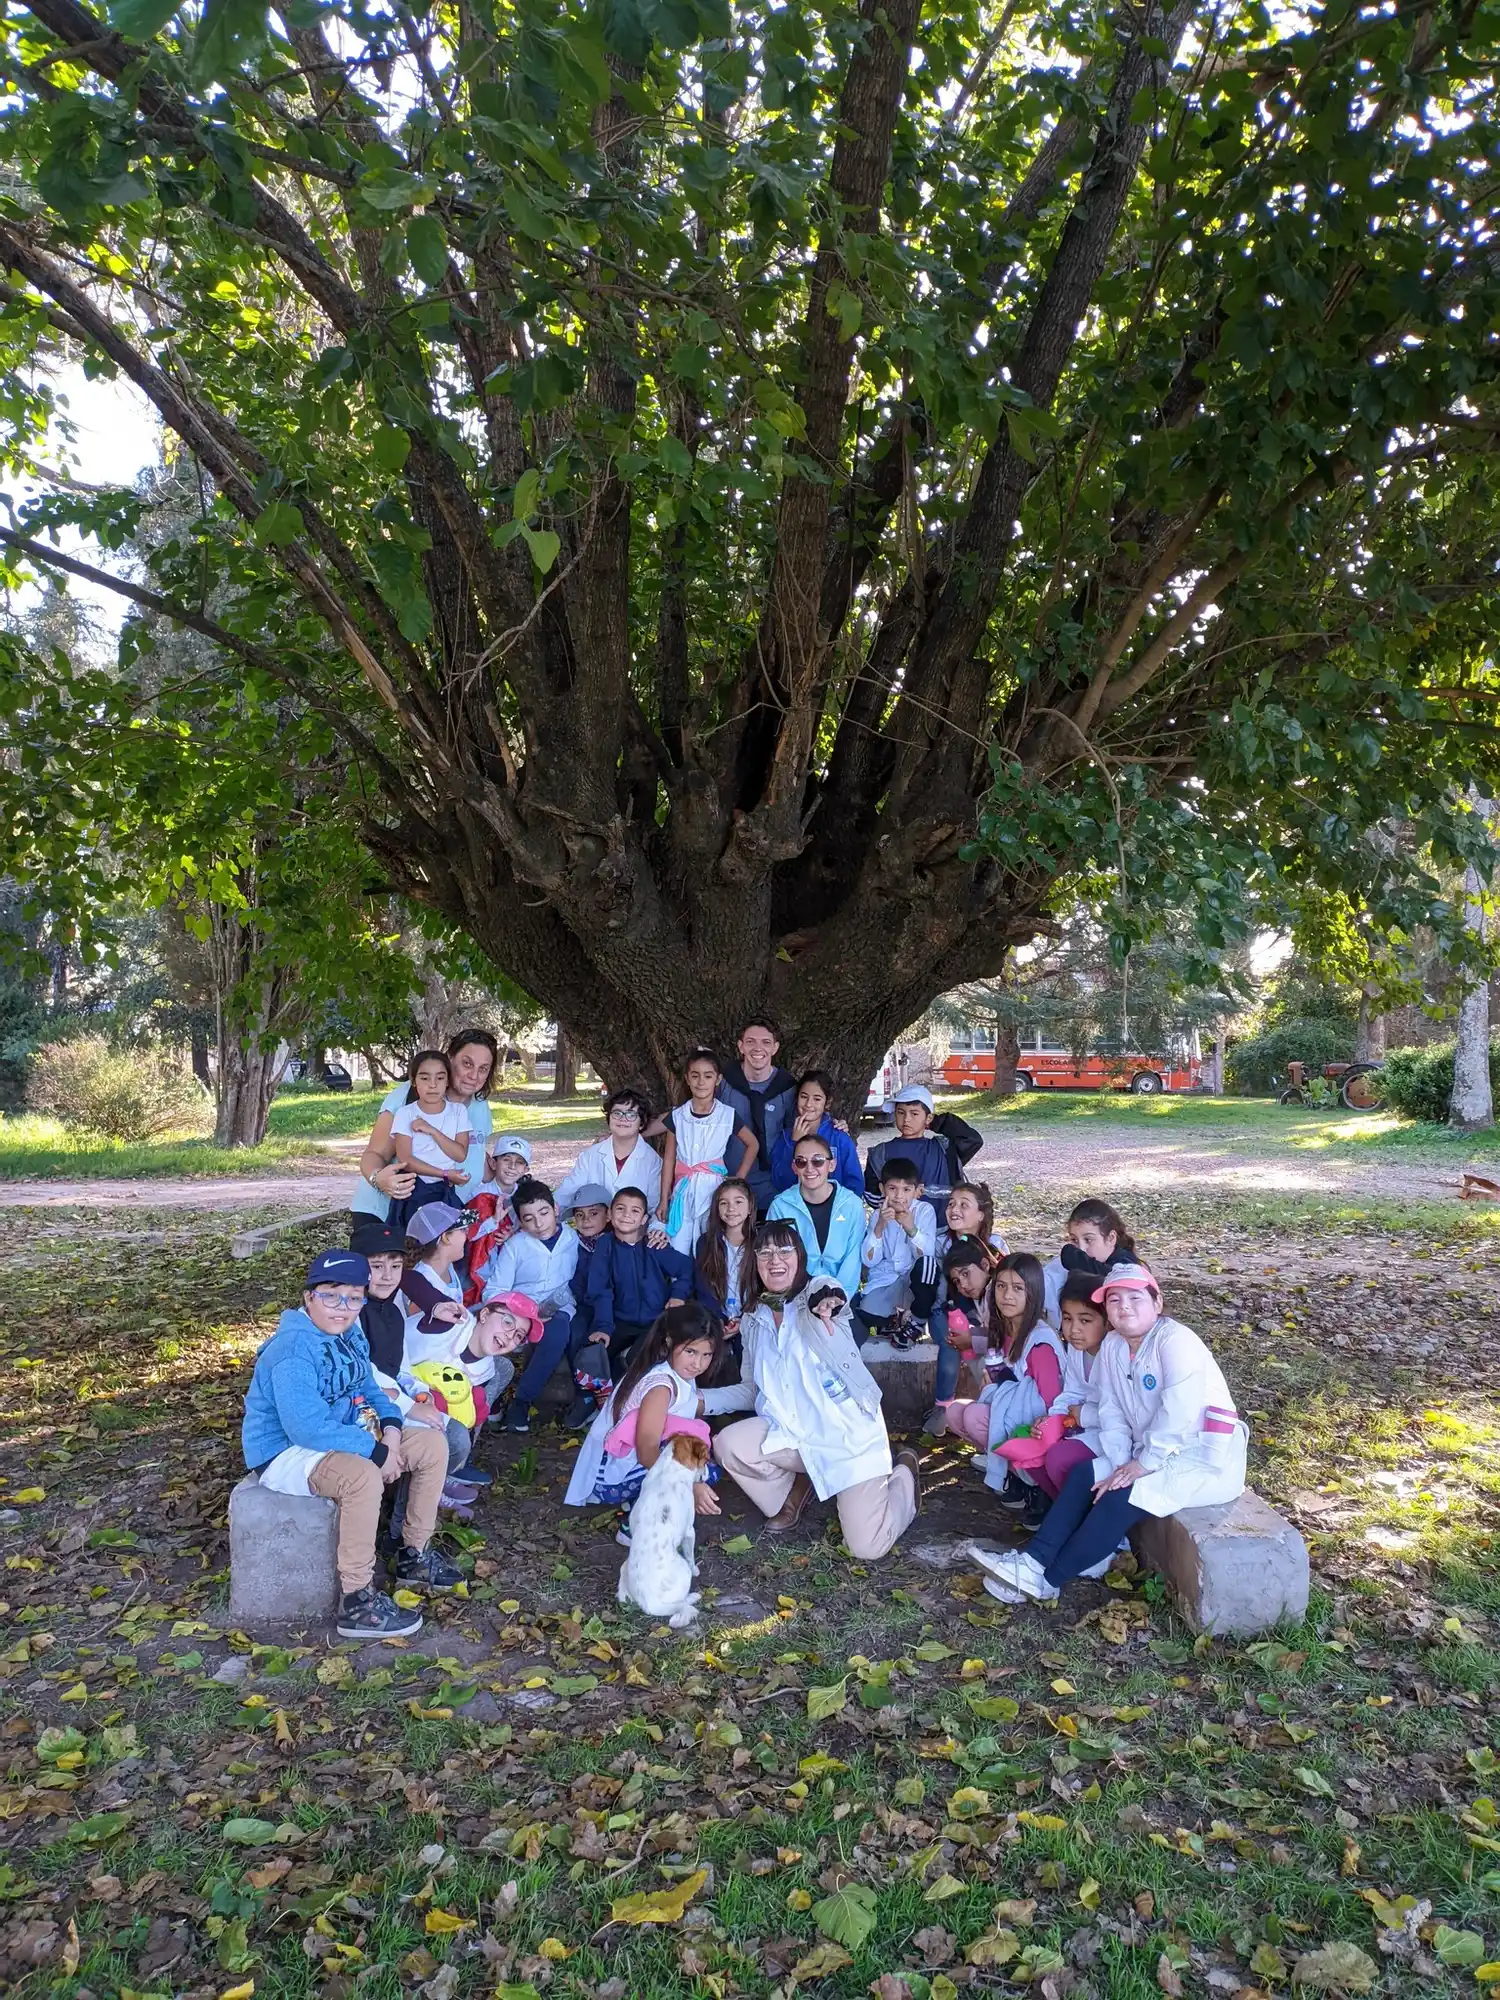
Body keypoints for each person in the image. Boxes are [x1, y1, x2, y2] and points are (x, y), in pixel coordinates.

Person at [970, 1264, 1247, 1603]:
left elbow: (1178, 1413)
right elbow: (1112, 1411)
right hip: (1148, 1452)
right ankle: (1032, 1563)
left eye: (1135, 1298)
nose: (1124, 1307)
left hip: (1199, 1456)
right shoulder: (1115, 1346)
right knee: (1084, 1475)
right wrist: (1118, 1461)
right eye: (1114, 1300)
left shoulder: (1176, 1342)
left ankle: (1049, 1580)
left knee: (1122, 1494)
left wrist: (1140, 1465)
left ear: (1157, 1302)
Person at [240, 1246, 461, 1640]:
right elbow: (305, 1427)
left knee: (431, 1445)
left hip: (342, 1430)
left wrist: (391, 1430)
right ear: (309, 1297)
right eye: (331, 1296)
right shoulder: (293, 1349)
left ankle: (413, 1554)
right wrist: (376, 1452)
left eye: (354, 1298)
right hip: (285, 1450)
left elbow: (369, 1387)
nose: (342, 1308)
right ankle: (357, 1600)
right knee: (362, 1476)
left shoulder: (349, 1332)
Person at [704, 1223, 921, 1558]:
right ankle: (794, 1492)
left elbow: (829, 1292)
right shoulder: (753, 1318)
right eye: (765, 1252)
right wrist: (700, 1401)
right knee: (729, 1445)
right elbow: (751, 1390)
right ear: (754, 1261)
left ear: (800, 1258)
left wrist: (826, 1301)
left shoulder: (816, 1299)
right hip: (793, 1433)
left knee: (867, 1547)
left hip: (845, 1440)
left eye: (785, 1250)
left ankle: (905, 1474)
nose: (775, 1259)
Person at [352, 1220, 491, 1513]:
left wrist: (419, 1392)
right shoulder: (350, 1312)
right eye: (376, 1266)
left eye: (395, 1266)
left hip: (394, 1396)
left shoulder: (392, 1310)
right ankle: (405, 1516)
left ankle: (430, 1488)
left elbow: (399, 1365)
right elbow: (363, 1374)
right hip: (362, 1405)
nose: (387, 1276)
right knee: (444, 1438)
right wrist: (408, 1405)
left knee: (449, 1427)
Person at [565, 1303, 724, 1533]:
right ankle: (636, 1524)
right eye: (691, 1352)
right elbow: (646, 1450)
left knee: (698, 1457)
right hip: (611, 1476)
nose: (698, 1364)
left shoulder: (675, 1370)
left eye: (706, 1355)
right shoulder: (660, 1387)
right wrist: (690, 1483)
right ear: (669, 1341)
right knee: (704, 1471)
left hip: (627, 1461)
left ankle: (642, 1500)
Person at [350, 1030, 497, 1232]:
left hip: (441, 1216)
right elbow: (375, 1153)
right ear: (450, 1059)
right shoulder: (408, 1097)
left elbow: (474, 1153)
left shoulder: (480, 1105)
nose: (474, 1076)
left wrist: (506, 1170)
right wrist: (378, 1179)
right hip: (387, 1214)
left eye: (483, 1069)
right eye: (467, 1064)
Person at [960, 1251, 1065, 1521]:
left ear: (1034, 1292)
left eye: (1018, 1288)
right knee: (956, 1413)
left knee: (974, 1416)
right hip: (1013, 1413)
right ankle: (1015, 1476)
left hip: (1038, 1425)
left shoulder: (1040, 1343)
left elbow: (1050, 1403)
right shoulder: (1004, 1329)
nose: (1007, 1295)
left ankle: (1037, 1486)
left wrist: (997, 1391)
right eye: (1001, 1286)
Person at [481, 1178, 579, 1432]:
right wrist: (523, 1310)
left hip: (559, 1308)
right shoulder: (516, 1245)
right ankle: (489, 1394)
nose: (539, 1223)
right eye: (529, 1218)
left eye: (544, 1213)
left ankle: (521, 1402)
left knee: (558, 1330)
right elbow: (494, 1290)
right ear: (520, 1222)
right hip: (520, 1312)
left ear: (556, 1209)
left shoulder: (572, 1239)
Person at [580, 1187, 695, 1376]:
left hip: (656, 1321)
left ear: (644, 1219)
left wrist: (678, 1295)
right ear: (609, 1214)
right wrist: (603, 1327)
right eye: (620, 1209)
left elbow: (686, 1268)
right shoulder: (605, 1245)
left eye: (635, 1211)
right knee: (594, 1355)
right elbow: (601, 1289)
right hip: (620, 1321)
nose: (626, 1215)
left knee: (637, 1359)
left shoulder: (654, 1245)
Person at [911, 1182, 1010, 1399]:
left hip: (989, 1316)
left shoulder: (994, 1245)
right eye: (951, 1204)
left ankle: (995, 1399)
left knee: (990, 1358)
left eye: (964, 1205)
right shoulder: (939, 1243)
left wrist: (975, 1334)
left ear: (981, 1214)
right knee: (951, 1347)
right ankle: (944, 1405)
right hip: (946, 1311)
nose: (954, 1209)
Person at [659, 1049, 758, 1253]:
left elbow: (753, 1144)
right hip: (683, 1190)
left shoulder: (727, 1115)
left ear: (718, 1079)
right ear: (687, 1079)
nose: (701, 1082)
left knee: (710, 1244)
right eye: (695, 1075)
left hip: (713, 1190)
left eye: (708, 1076)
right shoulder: (677, 1116)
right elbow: (669, 1160)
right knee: (679, 1245)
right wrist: (663, 1199)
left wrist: (738, 1179)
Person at [1034, 1274, 1110, 1498]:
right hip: (1083, 1424)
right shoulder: (1077, 1349)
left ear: (1108, 1321)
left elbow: (1122, 1413)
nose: (1074, 1329)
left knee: (1059, 1459)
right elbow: (1072, 1391)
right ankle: (1060, 1504)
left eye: (1085, 1321)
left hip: (1110, 1434)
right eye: (1067, 1318)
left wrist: (1082, 1415)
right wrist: (1053, 1419)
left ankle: (1080, 1510)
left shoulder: (1114, 1355)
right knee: (1034, 1445)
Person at [767, 1134, 867, 1300]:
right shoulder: (780, 1207)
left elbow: (852, 1258)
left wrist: (838, 1299)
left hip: (842, 1295)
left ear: (831, 1165)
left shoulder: (852, 1205)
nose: (809, 1168)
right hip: (796, 1296)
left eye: (818, 1160)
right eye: (801, 1162)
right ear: (794, 1167)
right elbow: (778, 1259)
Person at [717, 1017, 799, 1215]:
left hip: (772, 1187)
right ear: (740, 1046)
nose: (758, 1048)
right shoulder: (723, 1082)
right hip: (726, 1184)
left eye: (766, 1042)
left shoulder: (787, 1088)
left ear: (775, 1048)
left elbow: (805, 1126)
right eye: (750, 1041)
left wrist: (836, 1124)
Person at [854, 1156, 937, 1344]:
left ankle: (917, 1321)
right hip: (887, 1279)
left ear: (917, 1191)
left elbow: (926, 1255)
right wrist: (880, 1227)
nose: (899, 1196)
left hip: (913, 1280)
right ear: (882, 1189)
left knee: (927, 1265)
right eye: (892, 1188)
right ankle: (895, 1320)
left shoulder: (924, 1211)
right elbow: (869, 1260)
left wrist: (911, 1228)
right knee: (867, 1314)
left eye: (906, 1189)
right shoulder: (878, 1215)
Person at [389, 1049, 473, 1226]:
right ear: (414, 1081)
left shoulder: (458, 1111)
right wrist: (444, 1174)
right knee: (414, 1239)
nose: (433, 1085)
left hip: (444, 1191)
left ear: (448, 1081)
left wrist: (432, 1130)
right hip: (413, 1190)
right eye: (425, 1078)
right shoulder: (405, 1113)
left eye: (440, 1078)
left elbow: (460, 1154)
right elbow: (405, 1160)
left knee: (447, 1239)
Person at [863, 1085, 982, 1210]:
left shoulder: (944, 1149)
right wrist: (899, 1203)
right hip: (896, 1222)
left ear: (928, 1118)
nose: (906, 1119)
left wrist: (935, 1122)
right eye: (901, 1113)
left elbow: (972, 1140)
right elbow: (872, 1196)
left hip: (941, 1222)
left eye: (914, 1113)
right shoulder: (880, 1153)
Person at [554, 1090, 663, 1213]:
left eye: (631, 1114)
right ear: (609, 1118)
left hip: (635, 1225)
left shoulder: (653, 1161)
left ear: (642, 1123)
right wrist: (552, 1206)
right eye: (617, 1113)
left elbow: (654, 1205)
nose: (623, 1119)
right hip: (595, 1223)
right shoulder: (590, 1156)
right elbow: (568, 1191)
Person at [1042, 1197, 1141, 1326]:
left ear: (1111, 1238)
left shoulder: (1126, 1264)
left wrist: (1070, 1255)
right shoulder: (1064, 1265)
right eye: (1074, 1240)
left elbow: (1113, 1277)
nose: (1081, 1249)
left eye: (1088, 1240)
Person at [563, 1183, 614, 1428]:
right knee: (575, 1333)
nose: (586, 1221)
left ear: (608, 1215)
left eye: (594, 1213)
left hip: (613, 1306)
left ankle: (609, 1396)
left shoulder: (616, 1242)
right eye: (579, 1215)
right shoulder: (572, 1243)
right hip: (583, 1304)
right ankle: (584, 1395)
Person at [768, 1071, 863, 1196]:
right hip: (795, 1206)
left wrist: (841, 1205)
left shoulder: (839, 1137)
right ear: (796, 1098)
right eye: (804, 1097)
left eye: (817, 1099)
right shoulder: (785, 1137)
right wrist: (793, 1144)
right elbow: (779, 1182)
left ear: (827, 1102)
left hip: (836, 1206)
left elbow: (855, 1183)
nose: (808, 1104)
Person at [462, 1134, 533, 1302]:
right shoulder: (479, 1194)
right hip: (482, 1259)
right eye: (506, 1160)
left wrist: (513, 1235)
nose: (512, 1167)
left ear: (526, 1169)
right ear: (493, 1163)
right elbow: (465, 1232)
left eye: (519, 1162)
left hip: (515, 1257)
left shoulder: (526, 1195)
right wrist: (493, 1221)